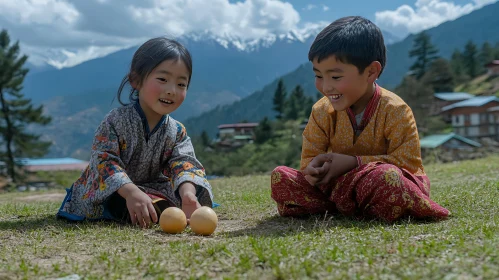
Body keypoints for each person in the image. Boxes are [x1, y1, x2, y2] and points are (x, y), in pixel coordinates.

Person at [270, 16, 450, 222]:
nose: (326, 87)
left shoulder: (396, 109)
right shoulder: (321, 111)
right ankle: (346, 207)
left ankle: (337, 207)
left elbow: (407, 163)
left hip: (384, 182)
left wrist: (353, 162)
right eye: (319, 76)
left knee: (386, 177)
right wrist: (314, 169)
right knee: (281, 176)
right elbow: (308, 163)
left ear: (371, 71)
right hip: (338, 186)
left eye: (336, 77)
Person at [57, 37, 214, 228]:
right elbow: (105, 161)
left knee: (182, 194)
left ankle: (160, 207)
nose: (171, 90)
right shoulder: (115, 121)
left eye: (181, 84)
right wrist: (131, 192)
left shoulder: (177, 131)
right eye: (162, 79)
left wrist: (188, 194)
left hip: (154, 189)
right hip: (115, 190)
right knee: (120, 202)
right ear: (136, 80)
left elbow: (184, 163)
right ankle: (145, 206)